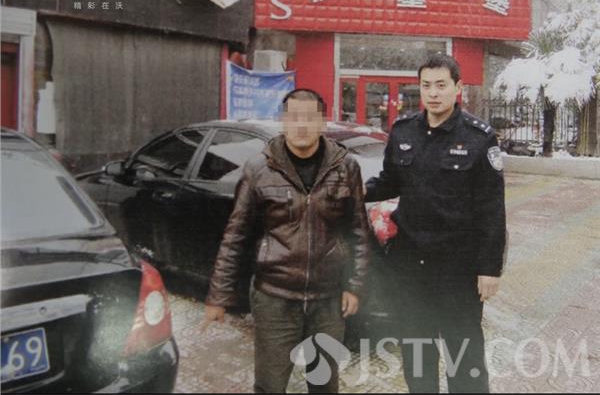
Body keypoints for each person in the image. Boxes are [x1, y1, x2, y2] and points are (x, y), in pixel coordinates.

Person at [202, 88, 371, 393]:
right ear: (284, 121)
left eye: (309, 118)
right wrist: (218, 296)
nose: (301, 125)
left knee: (324, 383)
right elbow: (236, 235)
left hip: (328, 300)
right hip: (274, 298)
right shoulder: (259, 169)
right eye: (294, 118)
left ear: (322, 122)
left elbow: (358, 231)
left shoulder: (346, 168)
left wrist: (354, 286)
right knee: (270, 384)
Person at [365, 54, 507, 393]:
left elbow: (492, 208)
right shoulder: (403, 131)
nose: (433, 93)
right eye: (426, 85)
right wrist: (356, 189)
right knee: (417, 354)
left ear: (458, 88)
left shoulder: (479, 138)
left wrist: (490, 269)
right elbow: (390, 181)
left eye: (441, 85)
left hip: (458, 269)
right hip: (410, 266)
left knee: (464, 356)